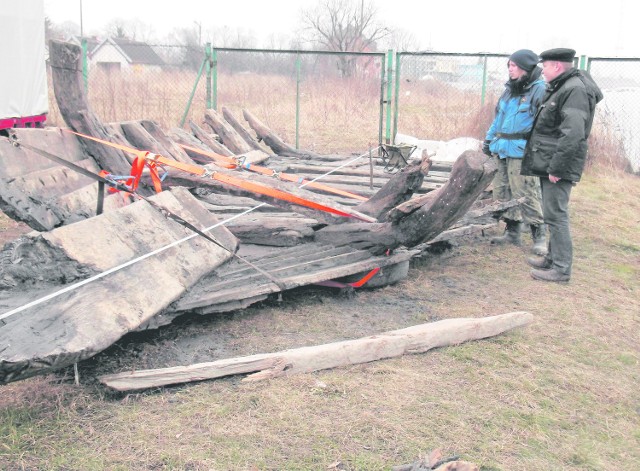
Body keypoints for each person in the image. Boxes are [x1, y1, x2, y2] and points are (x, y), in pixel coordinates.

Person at [521, 48, 603, 282]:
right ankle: (551, 259)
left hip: (558, 164)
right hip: (551, 160)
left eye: (544, 66)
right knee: (551, 213)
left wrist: (557, 168)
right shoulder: (563, 86)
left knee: (557, 215)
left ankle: (561, 269)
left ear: (556, 66)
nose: (542, 71)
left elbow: (573, 133)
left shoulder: (574, 90)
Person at [483, 49, 547, 256]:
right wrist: (488, 139)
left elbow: (543, 124)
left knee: (526, 192)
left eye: (514, 66)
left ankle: (540, 235)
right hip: (501, 148)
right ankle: (512, 231)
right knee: (503, 191)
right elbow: (498, 119)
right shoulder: (509, 91)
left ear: (526, 68)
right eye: (509, 66)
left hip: (521, 151)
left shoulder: (539, 90)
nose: (510, 69)